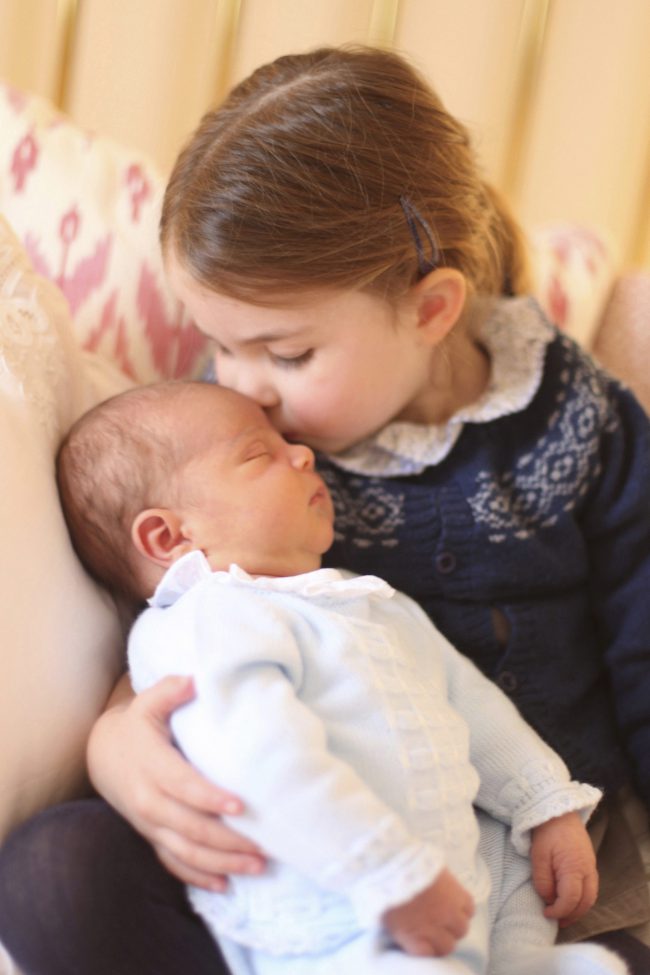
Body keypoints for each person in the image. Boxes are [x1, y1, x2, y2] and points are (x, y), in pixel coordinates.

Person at [0, 43, 648, 975]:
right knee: (53, 874)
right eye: (220, 347)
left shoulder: (582, 424)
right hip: (304, 835)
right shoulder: (233, 435)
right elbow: (174, 614)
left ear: (431, 310)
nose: (244, 388)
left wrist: (560, 811)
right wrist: (114, 745)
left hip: (532, 856)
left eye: (285, 353)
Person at [54, 378, 623, 975]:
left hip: (457, 890)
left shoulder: (371, 603)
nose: (303, 455)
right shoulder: (208, 620)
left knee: (529, 897)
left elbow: (471, 705)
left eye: (286, 443)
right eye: (259, 454)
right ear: (169, 536)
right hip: (343, 917)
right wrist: (387, 873)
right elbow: (260, 761)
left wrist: (543, 803)